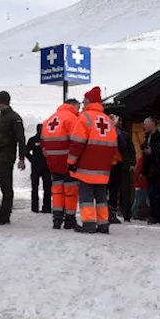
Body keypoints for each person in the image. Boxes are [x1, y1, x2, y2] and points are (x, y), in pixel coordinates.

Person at [67, 87, 118, 234]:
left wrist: (71, 162)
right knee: (101, 198)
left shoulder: (84, 117)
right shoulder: (108, 120)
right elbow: (114, 145)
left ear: (89, 101)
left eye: (84, 100)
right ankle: (103, 224)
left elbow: (77, 143)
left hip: (86, 167)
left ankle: (88, 224)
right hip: (103, 169)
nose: (82, 102)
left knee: (86, 198)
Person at [0, 91, 26, 225]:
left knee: (5, 186)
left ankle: (5, 215)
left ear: (1, 101)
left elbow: (21, 139)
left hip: (6, 157)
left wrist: (21, 158)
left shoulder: (15, 118)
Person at [42, 99, 81, 230]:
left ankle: (57, 219)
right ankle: (69, 219)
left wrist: (50, 158)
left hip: (53, 163)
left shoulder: (49, 120)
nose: (78, 111)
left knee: (57, 191)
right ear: (72, 106)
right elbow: (77, 141)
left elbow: (43, 143)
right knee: (70, 191)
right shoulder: (72, 119)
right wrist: (75, 160)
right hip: (68, 162)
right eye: (78, 108)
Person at [140, 117, 160, 225]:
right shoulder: (148, 138)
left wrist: (152, 151)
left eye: (145, 124)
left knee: (158, 194)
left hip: (158, 171)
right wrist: (143, 171)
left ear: (152, 124)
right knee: (152, 194)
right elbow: (145, 158)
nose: (144, 126)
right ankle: (154, 215)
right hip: (150, 171)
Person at [109, 115, 133, 223]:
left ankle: (123, 213)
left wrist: (131, 163)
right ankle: (110, 213)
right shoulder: (115, 134)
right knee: (112, 191)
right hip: (110, 165)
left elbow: (127, 149)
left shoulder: (122, 135)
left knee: (120, 191)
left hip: (119, 165)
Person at [26, 124, 51, 214]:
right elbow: (26, 151)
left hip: (46, 167)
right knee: (36, 188)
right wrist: (32, 160)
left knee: (47, 188)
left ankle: (46, 208)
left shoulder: (48, 140)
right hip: (37, 167)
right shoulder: (33, 140)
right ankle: (35, 208)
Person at [129, 151, 150, 222]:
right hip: (143, 184)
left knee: (138, 201)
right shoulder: (144, 160)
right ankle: (133, 214)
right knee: (144, 201)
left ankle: (133, 214)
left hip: (141, 184)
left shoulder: (141, 160)